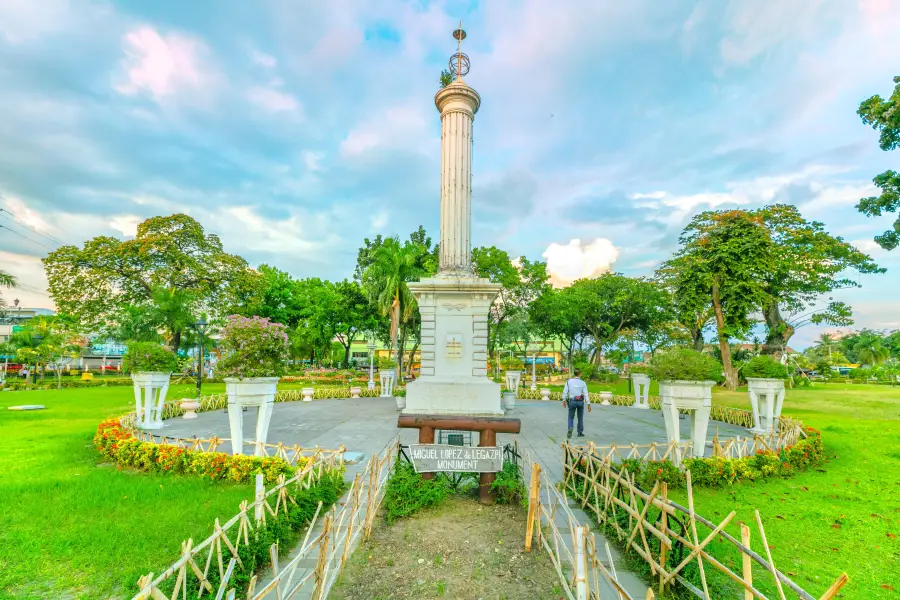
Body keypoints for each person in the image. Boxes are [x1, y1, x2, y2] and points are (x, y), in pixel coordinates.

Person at [562, 368, 591, 439]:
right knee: (580, 417)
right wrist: (588, 404)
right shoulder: (583, 383)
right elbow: (586, 394)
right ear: (580, 374)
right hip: (580, 401)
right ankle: (580, 432)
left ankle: (570, 427)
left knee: (571, 416)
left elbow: (565, 391)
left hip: (572, 401)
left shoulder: (569, 382)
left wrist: (564, 400)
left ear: (574, 374)